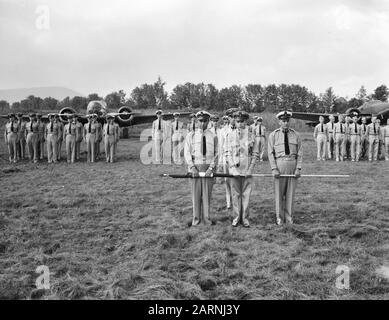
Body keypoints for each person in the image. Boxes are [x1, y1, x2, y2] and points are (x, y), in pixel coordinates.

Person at [268, 111, 302, 225]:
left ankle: (289, 217)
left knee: (290, 193)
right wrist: (274, 168)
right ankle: (279, 217)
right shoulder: (273, 135)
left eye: (287, 121)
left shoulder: (296, 135)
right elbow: (270, 153)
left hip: (292, 164)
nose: (286, 123)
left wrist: (298, 168)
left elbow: (300, 153)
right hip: (279, 165)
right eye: (283, 121)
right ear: (279, 122)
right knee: (279, 193)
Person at [184, 111, 218, 226]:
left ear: (208, 121)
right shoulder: (191, 135)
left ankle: (207, 220)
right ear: (197, 121)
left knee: (207, 196)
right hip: (195, 168)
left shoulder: (213, 136)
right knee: (196, 196)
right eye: (200, 121)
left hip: (208, 168)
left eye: (205, 121)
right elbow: (187, 153)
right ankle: (196, 220)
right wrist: (192, 167)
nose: (203, 123)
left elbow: (217, 153)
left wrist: (211, 168)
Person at [226, 111, 259, 228]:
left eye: (242, 121)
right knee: (235, 195)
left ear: (246, 121)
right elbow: (227, 153)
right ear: (235, 121)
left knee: (246, 195)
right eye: (238, 121)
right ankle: (236, 217)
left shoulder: (251, 135)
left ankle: (245, 218)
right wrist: (232, 168)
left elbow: (255, 154)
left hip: (247, 170)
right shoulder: (230, 135)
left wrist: (251, 169)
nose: (240, 124)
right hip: (235, 170)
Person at [218, 115, 233, 209]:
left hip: (235, 158)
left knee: (235, 180)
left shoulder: (238, 129)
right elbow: (220, 146)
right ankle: (228, 203)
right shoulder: (222, 131)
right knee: (227, 180)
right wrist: (220, 160)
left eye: (230, 118)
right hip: (225, 156)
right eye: (227, 118)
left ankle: (236, 201)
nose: (228, 120)